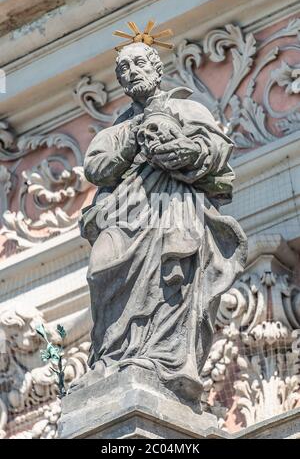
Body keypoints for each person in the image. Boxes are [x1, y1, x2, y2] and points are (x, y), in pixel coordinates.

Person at [80, 41, 247, 401]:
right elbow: (96, 167)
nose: (131, 71)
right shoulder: (115, 130)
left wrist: (184, 151)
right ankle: (111, 354)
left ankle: (156, 359)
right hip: (124, 213)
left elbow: (217, 153)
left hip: (173, 208)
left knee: (168, 279)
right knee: (101, 268)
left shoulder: (185, 108)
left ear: (156, 67)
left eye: (139, 63)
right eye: (123, 68)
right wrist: (133, 140)